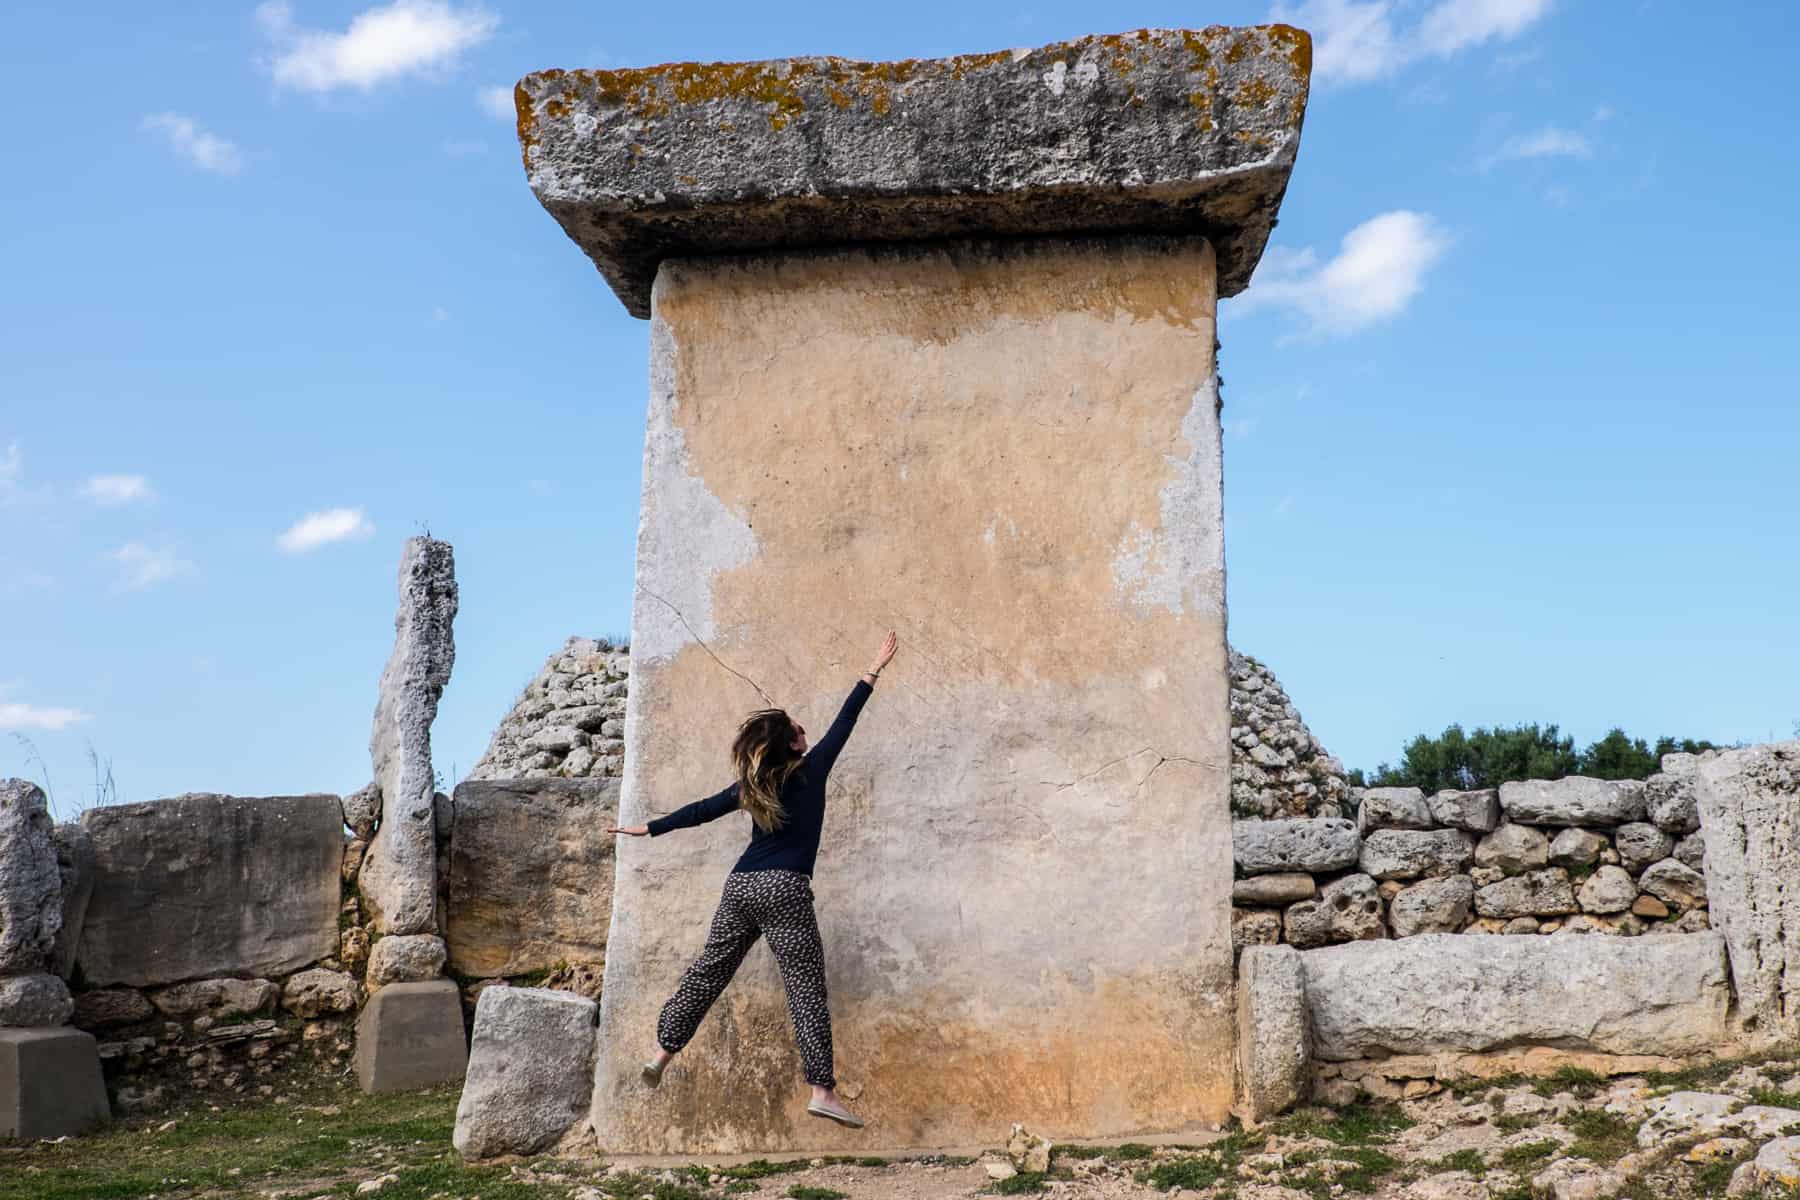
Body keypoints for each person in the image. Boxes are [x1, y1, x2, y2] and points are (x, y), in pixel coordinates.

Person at [609, 631, 899, 1129]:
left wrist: (648, 827)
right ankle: (822, 1090)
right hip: (784, 888)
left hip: (741, 886)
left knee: (709, 972)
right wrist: (872, 670)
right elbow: (846, 720)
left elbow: (701, 811)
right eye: (799, 727)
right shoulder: (812, 769)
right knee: (805, 989)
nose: (807, 730)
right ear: (793, 742)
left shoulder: (754, 784)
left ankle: (661, 1053)